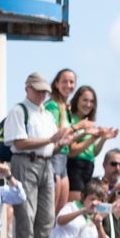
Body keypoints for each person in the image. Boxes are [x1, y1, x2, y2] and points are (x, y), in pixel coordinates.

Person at [2, 72, 74, 238]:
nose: (42, 95)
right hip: (25, 162)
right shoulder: (19, 110)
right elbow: (19, 143)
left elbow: (50, 147)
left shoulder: (46, 115)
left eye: (44, 91)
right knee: (26, 215)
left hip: (46, 164)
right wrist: (51, 140)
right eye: (38, 90)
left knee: (47, 218)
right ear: (27, 89)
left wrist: (60, 143)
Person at [65, 85, 119, 203]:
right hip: (75, 167)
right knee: (77, 204)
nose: (88, 104)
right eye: (85, 100)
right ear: (77, 100)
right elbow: (72, 151)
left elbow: (94, 152)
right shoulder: (71, 120)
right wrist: (92, 136)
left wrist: (103, 138)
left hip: (89, 167)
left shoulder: (90, 122)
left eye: (92, 101)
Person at [45, 69, 76, 215]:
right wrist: (78, 127)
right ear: (56, 84)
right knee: (51, 210)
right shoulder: (52, 105)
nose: (68, 85)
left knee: (60, 211)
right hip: (55, 155)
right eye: (64, 81)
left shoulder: (65, 106)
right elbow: (55, 131)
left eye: (71, 82)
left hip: (64, 158)